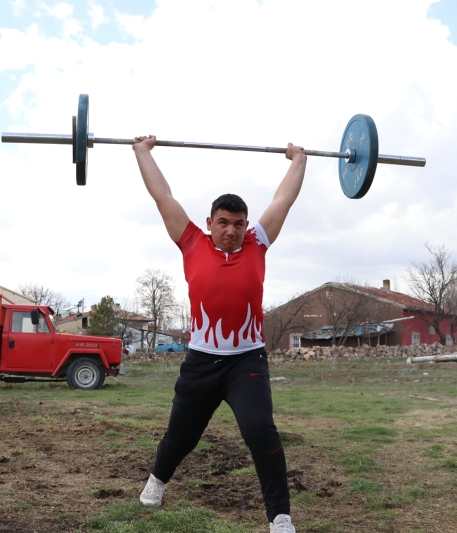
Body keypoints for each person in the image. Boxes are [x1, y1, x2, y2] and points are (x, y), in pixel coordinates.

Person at [133, 134, 307, 533]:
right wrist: (142, 152)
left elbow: (283, 200)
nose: (231, 230)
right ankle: (157, 480)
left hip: (246, 360)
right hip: (201, 361)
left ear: (247, 226)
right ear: (210, 223)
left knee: (259, 429)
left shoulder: (258, 244)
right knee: (181, 436)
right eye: (223, 222)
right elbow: (162, 195)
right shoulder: (191, 240)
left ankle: (280, 517)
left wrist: (298, 160)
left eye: (238, 223)